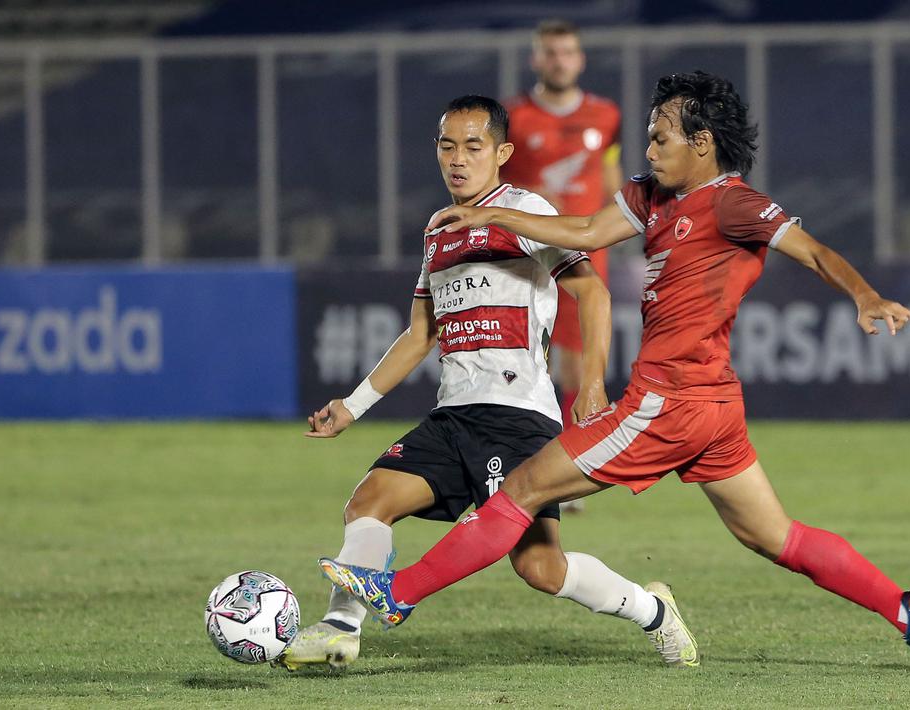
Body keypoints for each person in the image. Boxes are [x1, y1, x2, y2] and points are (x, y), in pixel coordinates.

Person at [320, 72, 910, 673]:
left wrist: (864, 296)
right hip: (715, 406)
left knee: (520, 489)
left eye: (661, 137)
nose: (649, 147)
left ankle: (397, 591)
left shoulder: (730, 203)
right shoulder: (649, 195)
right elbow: (580, 230)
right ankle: (906, 610)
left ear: (703, 143)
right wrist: (495, 215)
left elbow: (815, 251)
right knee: (775, 537)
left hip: (670, 400)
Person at [280, 95, 698, 671]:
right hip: (452, 416)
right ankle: (338, 630)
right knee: (369, 502)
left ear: (501, 152)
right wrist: (353, 406)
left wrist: (593, 385)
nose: (458, 158)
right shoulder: (438, 229)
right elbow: (419, 334)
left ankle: (653, 609)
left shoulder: (524, 210)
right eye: (447, 145)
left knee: (540, 567)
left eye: (473, 146)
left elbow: (593, 292)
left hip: (516, 416)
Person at [504, 19, 622, 433]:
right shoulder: (512, 117)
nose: (559, 61)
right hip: (523, 250)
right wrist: (528, 192)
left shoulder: (606, 115)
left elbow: (611, 180)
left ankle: (569, 455)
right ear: (536, 59)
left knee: (578, 355)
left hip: (584, 249)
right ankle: (526, 445)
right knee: (527, 353)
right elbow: (490, 183)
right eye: (551, 52)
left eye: (568, 52)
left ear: (581, 59)